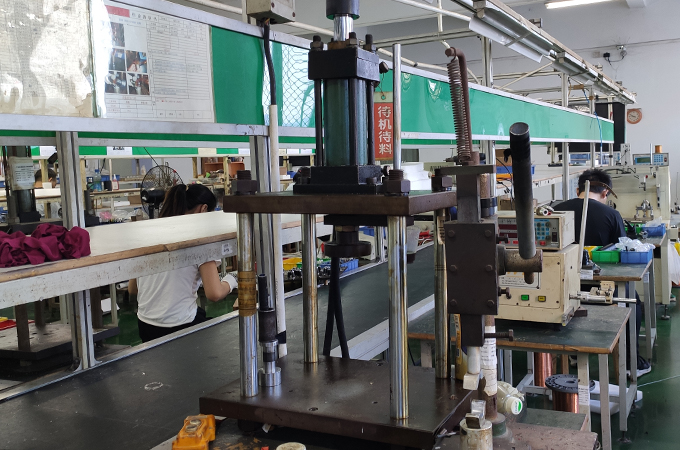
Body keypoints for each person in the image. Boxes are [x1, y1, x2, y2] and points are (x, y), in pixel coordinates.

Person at [555, 168, 651, 377]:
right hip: (600, 288)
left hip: (562, 288)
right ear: (605, 192)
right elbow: (622, 249)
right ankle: (630, 362)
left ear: (578, 190)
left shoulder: (556, 210)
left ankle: (573, 353)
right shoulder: (611, 215)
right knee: (633, 301)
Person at [128, 184, 237, 343]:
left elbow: (133, 289)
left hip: (145, 326)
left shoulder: (147, 235)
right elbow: (214, 294)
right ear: (203, 209)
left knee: (199, 313)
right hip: (179, 327)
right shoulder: (198, 239)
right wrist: (232, 280)